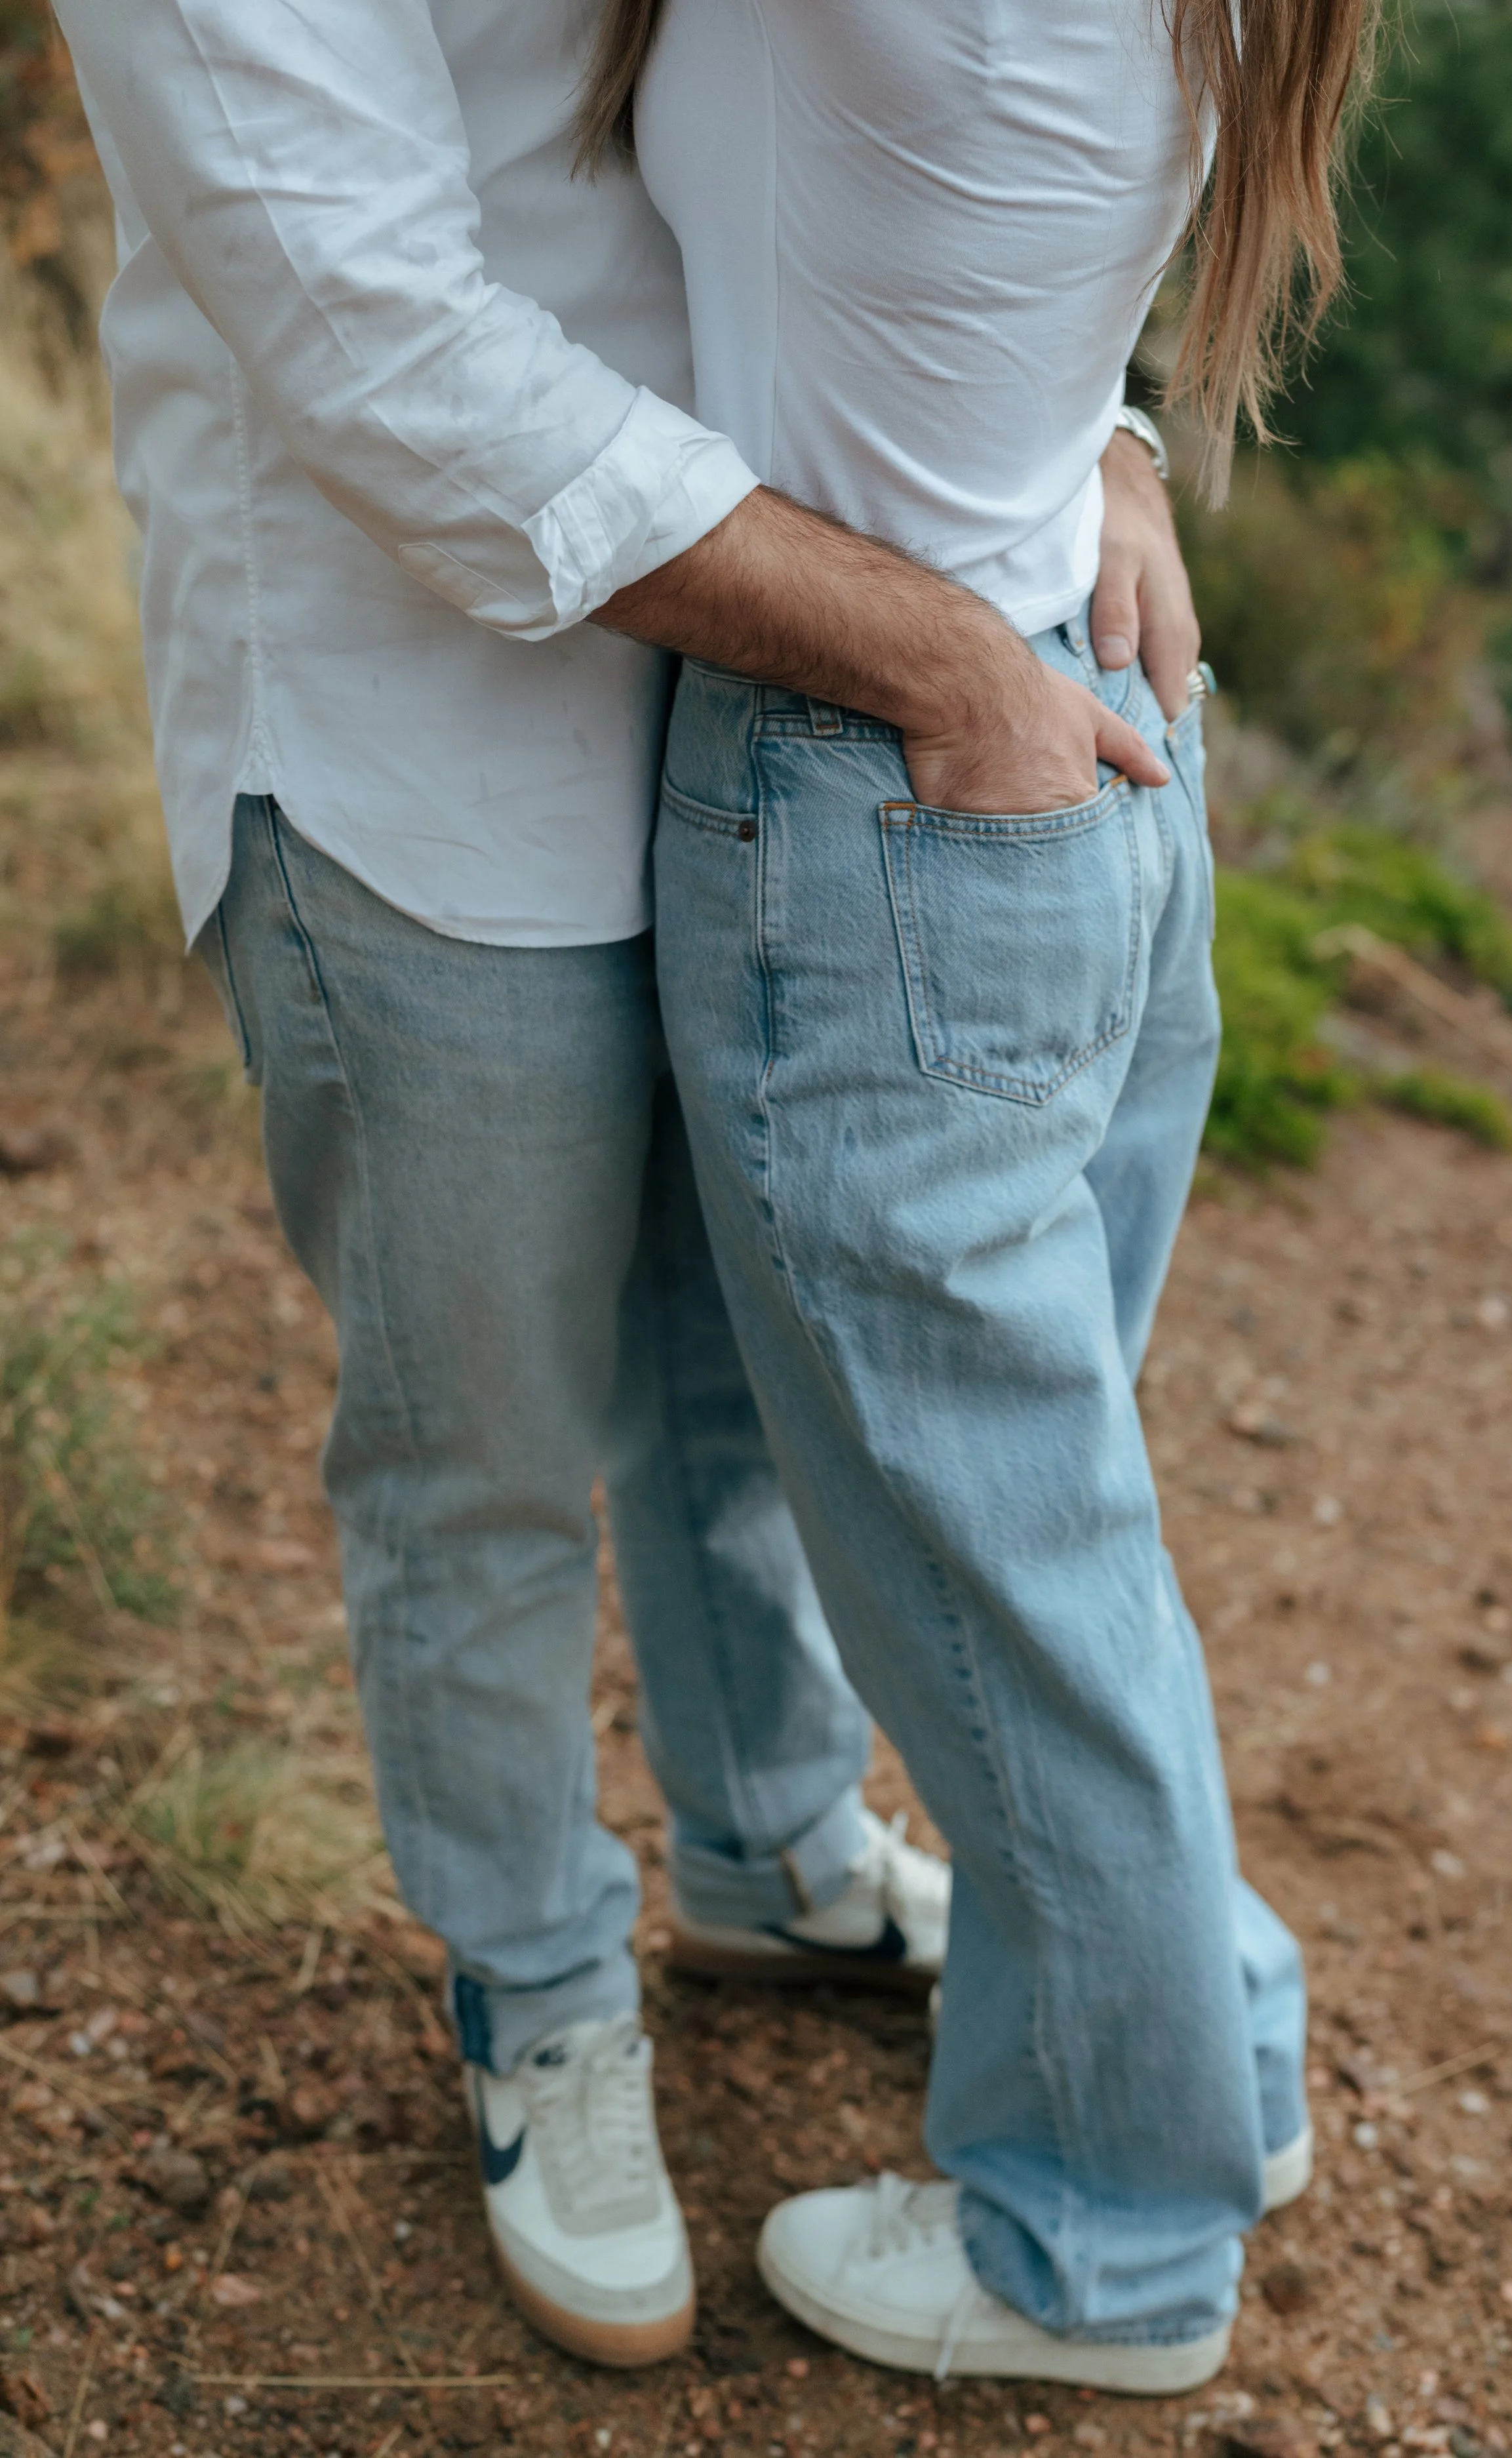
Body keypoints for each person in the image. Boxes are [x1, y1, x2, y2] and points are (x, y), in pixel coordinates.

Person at [54, 0, 1201, 2375]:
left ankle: (767, 1844)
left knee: (740, 1352)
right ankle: (537, 1977)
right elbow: (381, 347)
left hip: (765, 704)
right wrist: (943, 650)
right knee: (480, 1437)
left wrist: (1096, 425)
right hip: (417, 722)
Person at [578, 0, 1374, 2395]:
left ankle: (1107, 2239)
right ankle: (1186, 2035)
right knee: (1030, 1521)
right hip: (1070, 744)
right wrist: (1119, 429)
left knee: (1014, 1577)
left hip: (890, 799)